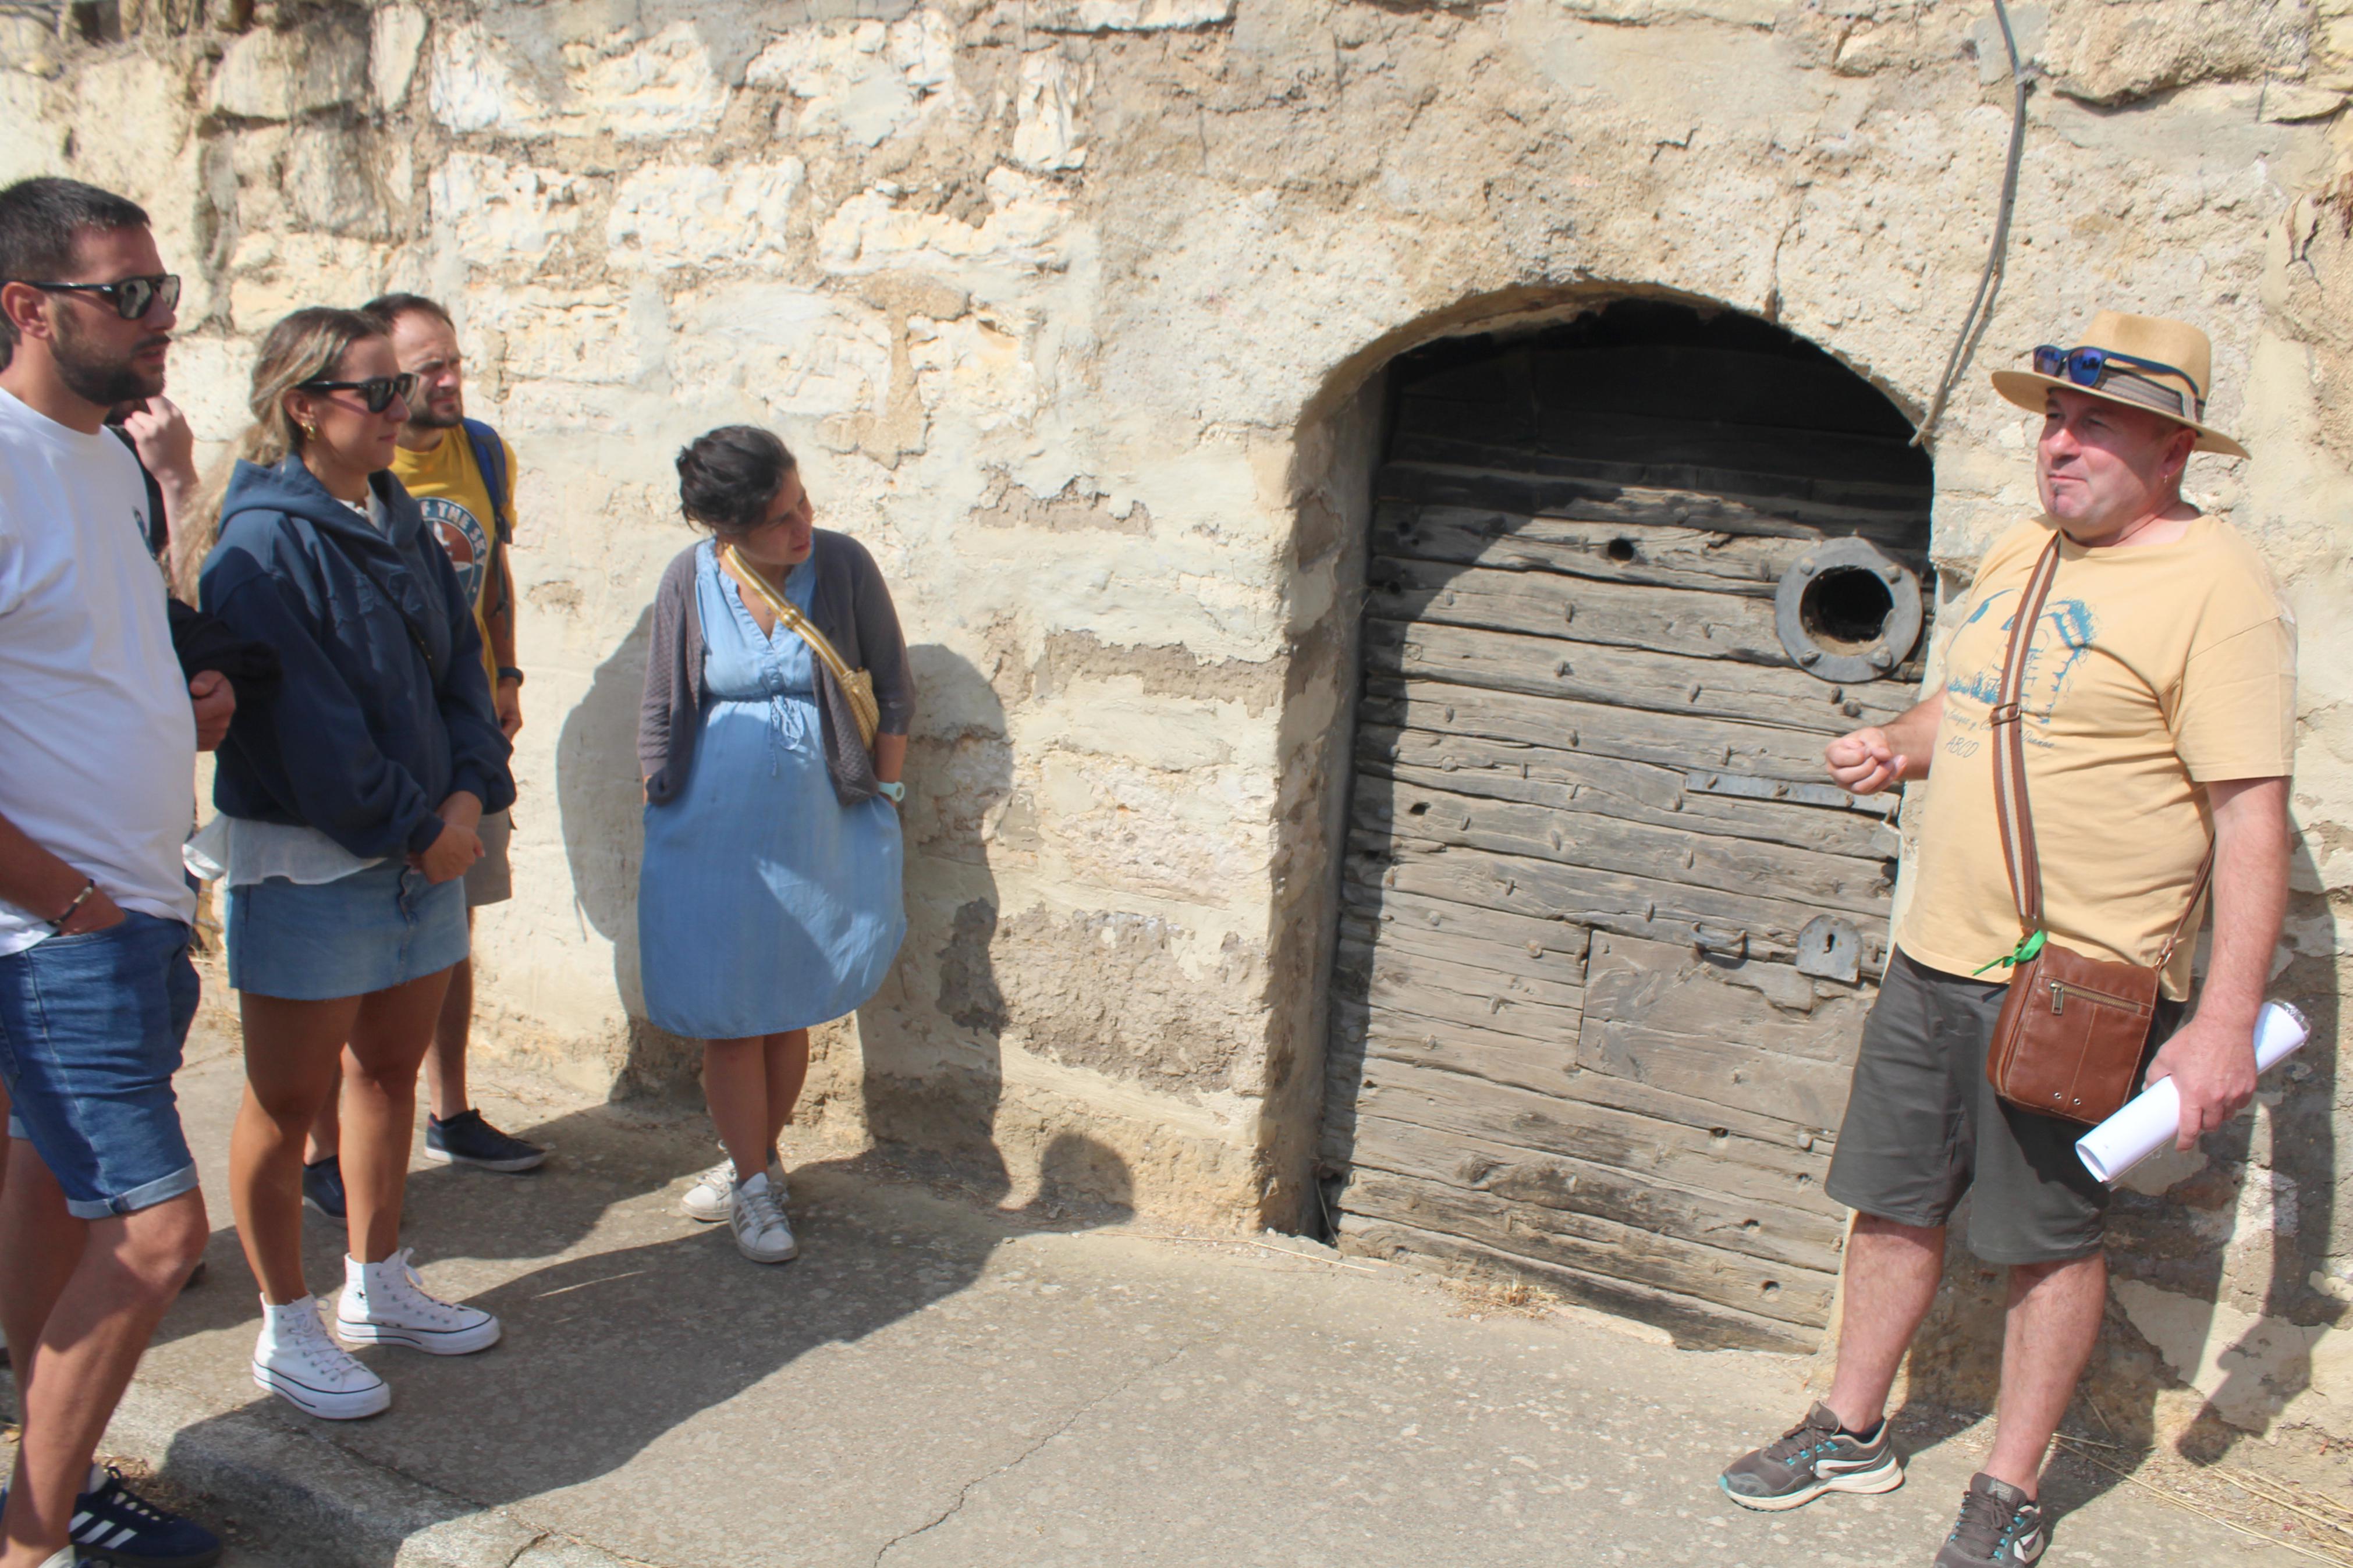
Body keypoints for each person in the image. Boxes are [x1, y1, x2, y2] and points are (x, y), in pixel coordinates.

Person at [1717, 312, 2294, 1567]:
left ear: (2174, 452)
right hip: (1938, 953)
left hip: (2081, 986)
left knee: (2048, 1241)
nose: (2061, 446)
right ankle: (1851, 1427)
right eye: (2055, 422)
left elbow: (2251, 819)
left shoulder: (2219, 586)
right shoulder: (2026, 547)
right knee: (1891, 1204)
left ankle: (2011, 1486)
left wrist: (2220, 1023)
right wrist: (1901, 744)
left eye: (2097, 427)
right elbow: (1973, 705)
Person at [194, 307, 516, 1421]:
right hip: (319, 864)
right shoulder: (258, 550)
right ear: (303, 408)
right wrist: (422, 827)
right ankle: (287, 1326)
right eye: (377, 392)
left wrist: (469, 792)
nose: (402, 408)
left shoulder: (395, 513)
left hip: (427, 845)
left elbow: (461, 667)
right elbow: (309, 733)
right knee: (288, 1100)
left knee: (388, 1071)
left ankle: (377, 1282)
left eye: (402, 388)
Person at [0, 176, 230, 1568]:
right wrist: (70, 904)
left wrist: (179, 697)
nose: (160, 317)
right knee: (156, 1232)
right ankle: (30, 1542)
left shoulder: (105, 460)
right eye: (127, 294)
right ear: (29, 308)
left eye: (165, 290)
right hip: (58, 930)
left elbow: (81, 651)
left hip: (134, 905)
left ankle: (58, 1477)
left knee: (52, 1193)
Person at [290, 294, 540, 1224]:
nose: (442, 382)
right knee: (345, 960)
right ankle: (325, 1151)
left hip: (461, 733)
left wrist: (505, 674)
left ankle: (452, 1111)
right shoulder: (349, 476)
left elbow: (493, 572)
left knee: (449, 926)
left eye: (450, 362)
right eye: (419, 369)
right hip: (377, 750)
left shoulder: (483, 452)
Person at [637, 426, 911, 1264]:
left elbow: (894, 688)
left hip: (817, 829)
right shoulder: (688, 578)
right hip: (710, 831)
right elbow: (660, 703)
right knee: (727, 1014)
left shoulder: (844, 565)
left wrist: (885, 793)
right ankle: (754, 1187)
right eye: (779, 520)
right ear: (728, 530)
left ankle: (752, 1163)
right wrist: (656, 797)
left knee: (785, 1003)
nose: (803, 527)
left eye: (803, 504)